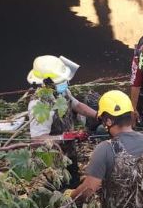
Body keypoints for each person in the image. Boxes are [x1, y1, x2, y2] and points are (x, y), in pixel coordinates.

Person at [26, 55, 98, 185]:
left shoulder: (61, 92)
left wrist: (98, 115)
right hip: (53, 160)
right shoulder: (39, 105)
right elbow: (37, 140)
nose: (65, 84)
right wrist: (66, 136)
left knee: (74, 180)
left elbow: (76, 105)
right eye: (61, 81)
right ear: (47, 84)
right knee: (61, 189)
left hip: (69, 152)